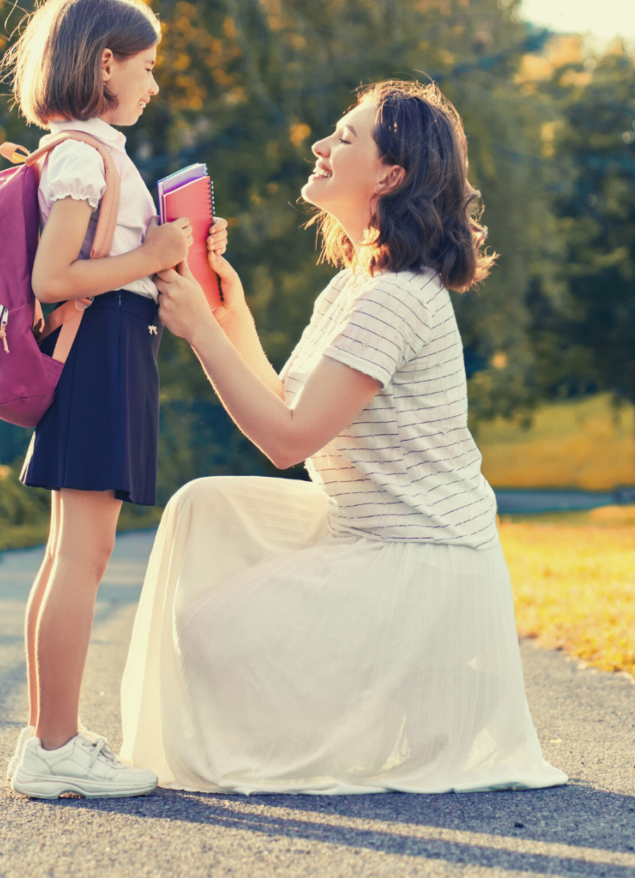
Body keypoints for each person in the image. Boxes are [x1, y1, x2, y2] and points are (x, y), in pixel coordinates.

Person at [120, 80, 568, 795]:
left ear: (390, 175)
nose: (321, 147)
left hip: (421, 558)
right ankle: (398, 688)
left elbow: (286, 442)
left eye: (345, 138)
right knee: (203, 504)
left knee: (211, 631)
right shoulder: (357, 283)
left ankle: (398, 690)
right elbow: (286, 400)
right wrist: (228, 318)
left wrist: (201, 334)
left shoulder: (395, 296)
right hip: (368, 533)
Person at [0, 0, 225, 799]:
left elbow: (101, 261)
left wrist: (176, 246)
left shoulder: (87, 151)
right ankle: (54, 749)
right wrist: (155, 252)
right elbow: (53, 276)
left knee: (71, 554)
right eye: (147, 65)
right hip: (98, 355)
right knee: (83, 558)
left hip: (109, 351)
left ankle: (47, 740)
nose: (154, 83)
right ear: (104, 64)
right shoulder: (84, 157)